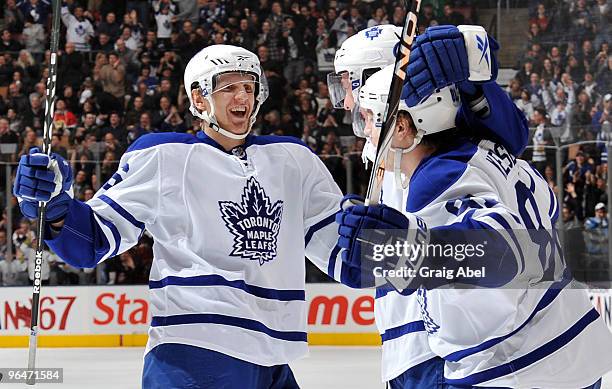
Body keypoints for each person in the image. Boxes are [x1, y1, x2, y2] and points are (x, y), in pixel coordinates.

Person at [13, 44, 347, 388]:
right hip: (194, 350)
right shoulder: (164, 155)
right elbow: (93, 240)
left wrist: (389, 240)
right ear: (199, 99)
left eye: (249, 86)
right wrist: (54, 207)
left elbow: (348, 254)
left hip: (275, 357)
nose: (242, 96)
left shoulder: (294, 159)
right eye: (229, 87)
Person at [335, 64, 612, 389]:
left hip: (513, 368)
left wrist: (403, 253)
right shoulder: (487, 150)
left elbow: (504, 249)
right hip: (569, 347)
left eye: (370, 118)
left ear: (402, 126)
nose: (365, 130)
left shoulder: (435, 178)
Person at [331, 24, 531, 386]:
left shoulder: (439, 142)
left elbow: (511, 134)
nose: (344, 100)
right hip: (407, 343)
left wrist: (475, 82)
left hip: (434, 342)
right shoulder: (383, 141)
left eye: (347, 83)